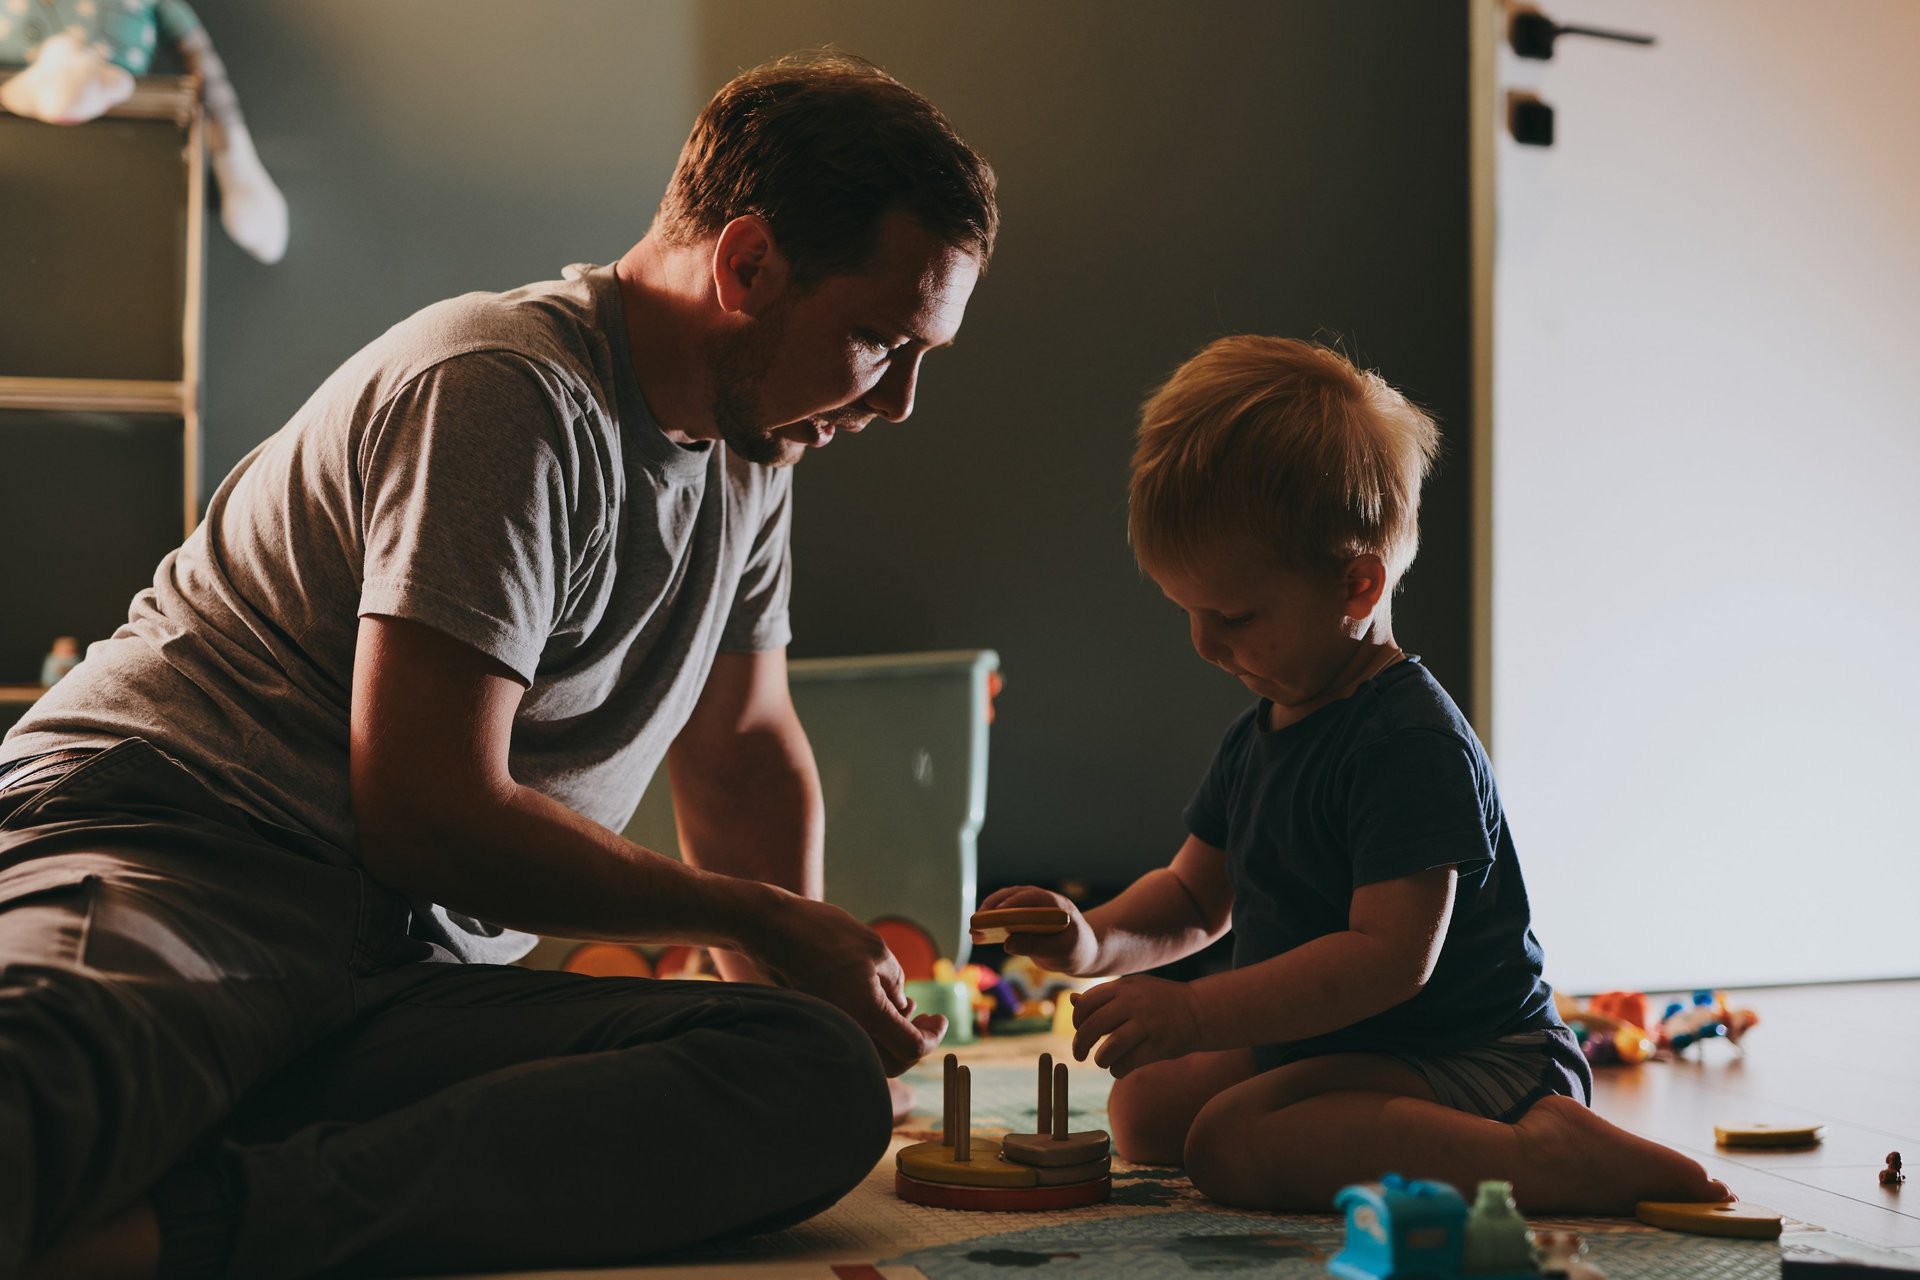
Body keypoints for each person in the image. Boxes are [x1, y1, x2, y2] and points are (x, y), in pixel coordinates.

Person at [0, 50, 994, 1279]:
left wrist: (804, 989)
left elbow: (740, 750)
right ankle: (158, 1138)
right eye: (879, 341)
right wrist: (768, 918)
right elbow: (425, 814)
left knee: (805, 1079)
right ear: (747, 266)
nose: (898, 402)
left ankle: (181, 1224)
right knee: (32, 1102)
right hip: (183, 860)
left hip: (395, 974)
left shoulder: (758, 450)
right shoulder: (503, 389)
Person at [980, 336, 1727, 1215]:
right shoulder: (1262, 730)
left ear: (1358, 586)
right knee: (1146, 1107)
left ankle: (1545, 1158)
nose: (1205, 644)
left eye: (1232, 614)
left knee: (1232, 1144)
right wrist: (1090, 942)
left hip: (1474, 1059)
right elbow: (1192, 898)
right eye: (1187, 611)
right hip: (1342, 1040)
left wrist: (1200, 1014)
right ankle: (1410, 1135)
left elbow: (1387, 962)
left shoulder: (1408, 741)